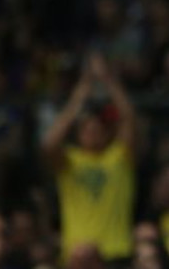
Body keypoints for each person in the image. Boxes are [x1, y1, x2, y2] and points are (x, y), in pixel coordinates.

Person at [42, 53, 136, 265]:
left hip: (115, 254)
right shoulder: (70, 161)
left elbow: (129, 119)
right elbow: (49, 144)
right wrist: (81, 92)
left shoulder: (119, 158)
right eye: (86, 129)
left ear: (107, 133)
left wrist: (109, 80)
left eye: (97, 129)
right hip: (77, 257)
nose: (92, 132)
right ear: (78, 134)